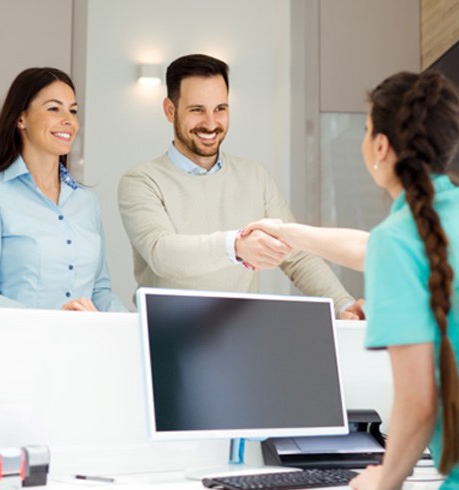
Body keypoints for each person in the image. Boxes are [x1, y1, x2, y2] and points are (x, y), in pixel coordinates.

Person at [246, 70, 459, 490]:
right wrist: (287, 231)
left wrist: (384, 481)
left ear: (380, 146)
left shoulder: (401, 239)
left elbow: (418, 402)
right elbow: (369, 247)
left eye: (367, 128)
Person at [118, 53, 363, 318]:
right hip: (165, 334)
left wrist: (342, 304)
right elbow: (162, 254)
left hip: (238, 333)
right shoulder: (142, 181)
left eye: (220, 109)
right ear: (170, 110)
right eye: (197, 109)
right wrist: (235, 245)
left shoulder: (255, 177)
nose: (211, 124)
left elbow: (297, 256)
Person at [0, 67, 127, 312]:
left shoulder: (86, 202)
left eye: (73, 110)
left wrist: (133, 326)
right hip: (19, 346)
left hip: (83, 345)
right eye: (54, 108)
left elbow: (100, 291)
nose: (69, 120)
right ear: (21, 118)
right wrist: (52, 321)